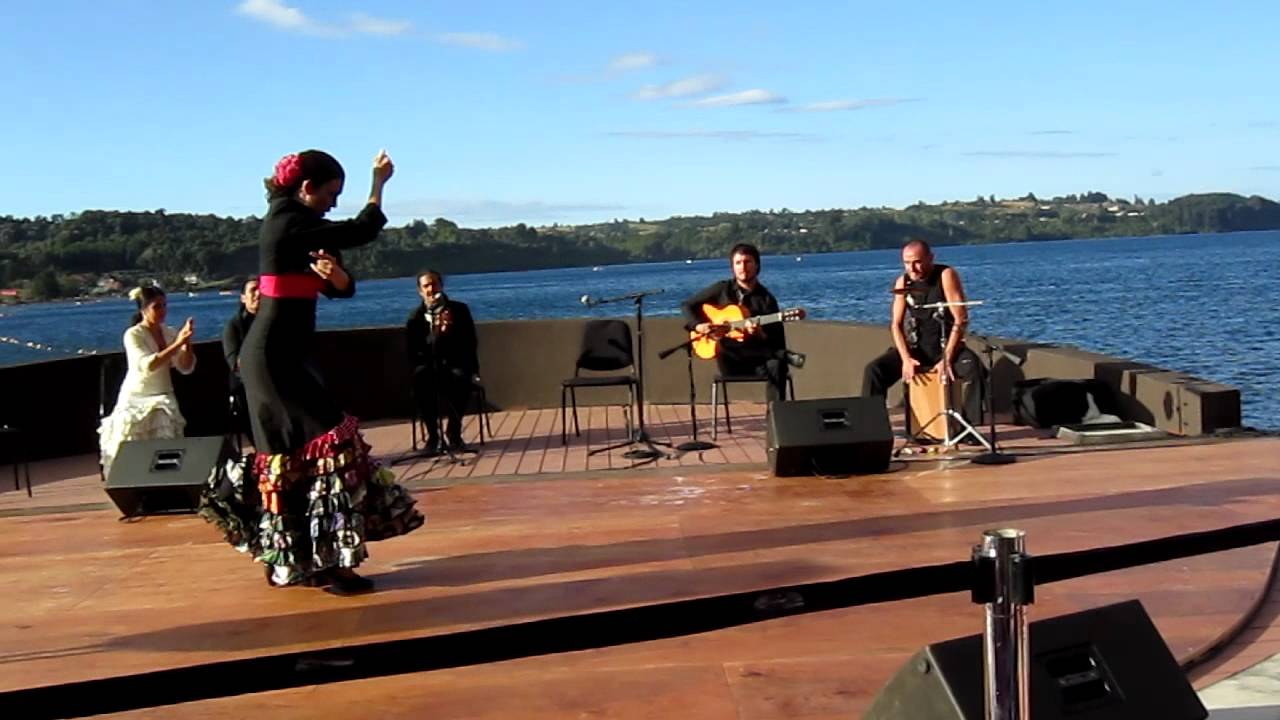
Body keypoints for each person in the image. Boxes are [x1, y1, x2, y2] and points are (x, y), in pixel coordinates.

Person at [201, 149, 423, 595]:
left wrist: (335, 275)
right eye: (329, 193)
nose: (332, 203)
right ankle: (325, 566)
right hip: (271, 360)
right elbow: (361, 229)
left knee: (298, 460)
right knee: (327, 448)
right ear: (306, 189)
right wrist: (378, 184)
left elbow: (341, 288)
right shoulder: (287, 222)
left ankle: (296, 563)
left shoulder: (297, 227)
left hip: (282, 358)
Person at [862, 238, 985, 429]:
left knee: (974, 370)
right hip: (917, 349)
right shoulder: (903, 281)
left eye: (918, 262)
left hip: (946, 347)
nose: (913, 268)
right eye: (907, 263)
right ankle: (870, 427)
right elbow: (895, 324)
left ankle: (968, 428)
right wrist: (906, 359)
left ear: (930, 258)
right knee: (874, 371)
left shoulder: (945, 275)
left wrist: (946, 358)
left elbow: (961, 319)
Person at [98, 286, 196, 479]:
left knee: (165, 437)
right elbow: (148, 364)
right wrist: (177, 343)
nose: (162, 311)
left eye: (164, 306)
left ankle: (165, 481)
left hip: (163, 395)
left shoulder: (169, 332)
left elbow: (185, 366)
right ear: (143, 310)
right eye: (157, 307)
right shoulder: (133, 334)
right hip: (137, 396)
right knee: (131, 441)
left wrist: (187, 343)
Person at [681, 243, 792, 401]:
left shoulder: (766, 300)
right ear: (732, 267)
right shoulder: (722, 290)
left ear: (757, 265)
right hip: (729, 359)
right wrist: (699, 325)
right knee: (724, 342)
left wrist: (759, 333)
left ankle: (775, 417)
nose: (743, 267)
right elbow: (687, 305)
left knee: (778, 365)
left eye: (748, 262)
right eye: (738, 263)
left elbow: (777, 342)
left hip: (756, 360)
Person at [405, 270, 479, 454]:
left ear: (441, 286)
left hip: (454, 364)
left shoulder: (459, 310)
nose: (431, 289)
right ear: (420, 291)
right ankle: (433, 436)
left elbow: (470, 342)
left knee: (461, 379)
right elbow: (413, 349)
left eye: (434, 284)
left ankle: (454, 433)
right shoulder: (415, 317)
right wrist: (436, 334)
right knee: (421, 381)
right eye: (426, 286)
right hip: (429, 366)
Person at [221, 277, 259, 444]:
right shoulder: (234, 326)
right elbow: (236, 365)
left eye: (262, 290)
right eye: (253, 290)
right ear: (243, 297)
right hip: (247, 389)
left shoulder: (275, 322)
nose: (258, 294)